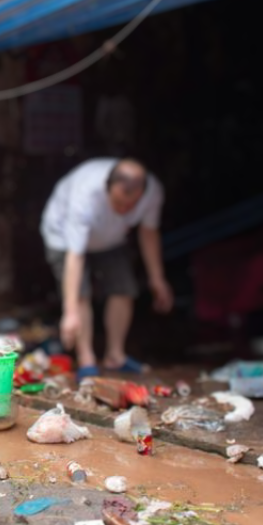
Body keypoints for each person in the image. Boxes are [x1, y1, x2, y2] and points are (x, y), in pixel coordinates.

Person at [41, 158, 172, 379]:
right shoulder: (85, 194)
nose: (123, 210)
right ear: (107, 188)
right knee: (80, 294)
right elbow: (76, 255)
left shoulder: (153, 192)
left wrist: (157, 278)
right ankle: (86, 359)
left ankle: (115, 355)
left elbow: (149, 232)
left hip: (111, 237)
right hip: (64, 238)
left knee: (124, 288)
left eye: (130, 206)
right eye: (118, 203)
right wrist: (70, 312)